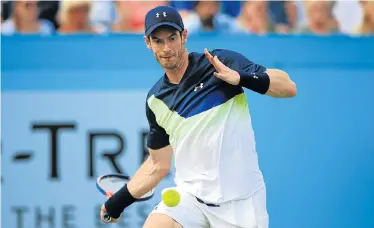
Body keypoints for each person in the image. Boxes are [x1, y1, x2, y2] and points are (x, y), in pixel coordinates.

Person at [100, 5, 297, 228]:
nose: (166, 48)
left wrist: (241, 78)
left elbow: (288, 87)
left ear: (184, 36)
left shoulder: (219, 62)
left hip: (242, 203)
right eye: (158, 41)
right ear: (148, 43)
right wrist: (116, 203)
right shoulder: (156, 100)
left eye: (172, 38)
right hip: (190, 199)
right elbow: (157, 165)